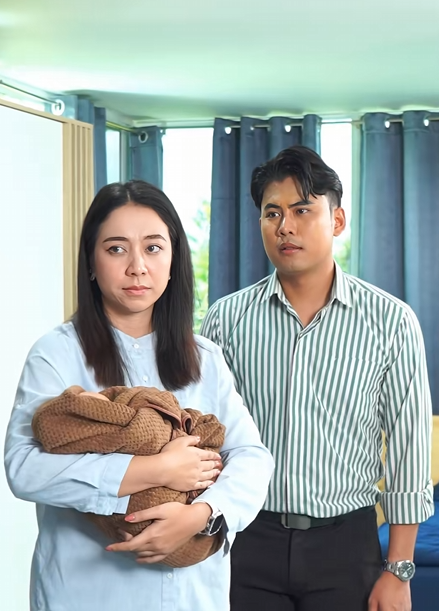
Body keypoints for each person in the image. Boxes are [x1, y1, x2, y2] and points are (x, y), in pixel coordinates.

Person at [4, 180, 274, 611]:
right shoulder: (56, 353)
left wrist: (200, 516)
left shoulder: (205, 357)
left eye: (153, 248)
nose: (137, 267)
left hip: (192, 595)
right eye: (116, 249)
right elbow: (25, 468)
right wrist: (155, 469)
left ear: (173, 260)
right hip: (86, 594)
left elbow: (252, 457)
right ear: (91, 262)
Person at [201, 145, 434, 611]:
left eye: (302, 210)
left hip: (346, 545)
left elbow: (409, 449)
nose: (285, 226)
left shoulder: (391, 322)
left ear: (337, 220)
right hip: (247, 538)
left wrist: (400, 569)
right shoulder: (226, 320)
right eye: (272, 213)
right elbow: (207, 437)